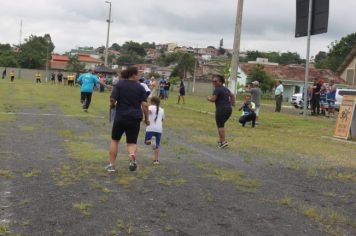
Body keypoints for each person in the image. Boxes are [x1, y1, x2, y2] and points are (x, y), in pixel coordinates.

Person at [105, 67, 149, 173]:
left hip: (121, 116)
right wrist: (146, 118)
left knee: (115, 140)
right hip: (135, 117)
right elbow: (145, 105)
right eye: (137, 74)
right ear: (133, 75)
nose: (138, 76)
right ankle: (132, 156)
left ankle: (112, 165)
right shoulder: (140, 87)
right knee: (132, 142)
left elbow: (112, 99)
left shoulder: (119, 84)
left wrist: (112, 105)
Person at [207, 75, 235, 149]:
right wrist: (232, 104)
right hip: (228, 109)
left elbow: (213, 99)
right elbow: (232, 95)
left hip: (221, 109)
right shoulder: (225, 89)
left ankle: (223, 142)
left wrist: (209, 98)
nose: (214, 82)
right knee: (221, 125)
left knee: (220, 125)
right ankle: (221, 141)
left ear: (220, 82)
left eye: (215, 81)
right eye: (213, 81)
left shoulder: (217, 89)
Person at [144, 96, 165, 165]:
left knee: (147, 142)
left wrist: (146, 119)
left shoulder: (150, 107)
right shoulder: (162, 110)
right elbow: (162, 119)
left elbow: (146, 112)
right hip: (159, 129)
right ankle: (156, 160)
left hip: (150, 128)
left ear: (151, 101)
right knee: (157, 145)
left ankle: (151, 140)